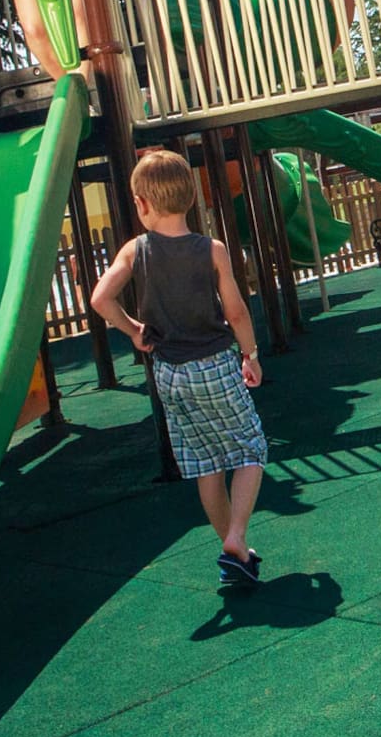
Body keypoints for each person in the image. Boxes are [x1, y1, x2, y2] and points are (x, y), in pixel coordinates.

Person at [91, 149, 269, 586]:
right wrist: (251, 355)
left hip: (169, 373)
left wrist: (134, 329)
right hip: (213, 365)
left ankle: (237, 555)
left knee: (206, 463)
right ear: (191, 198)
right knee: (250, 450)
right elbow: (236, 312)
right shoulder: (211, 250)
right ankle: (237, 536)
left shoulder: (136, 250)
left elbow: (99, 299)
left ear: (142, 204)